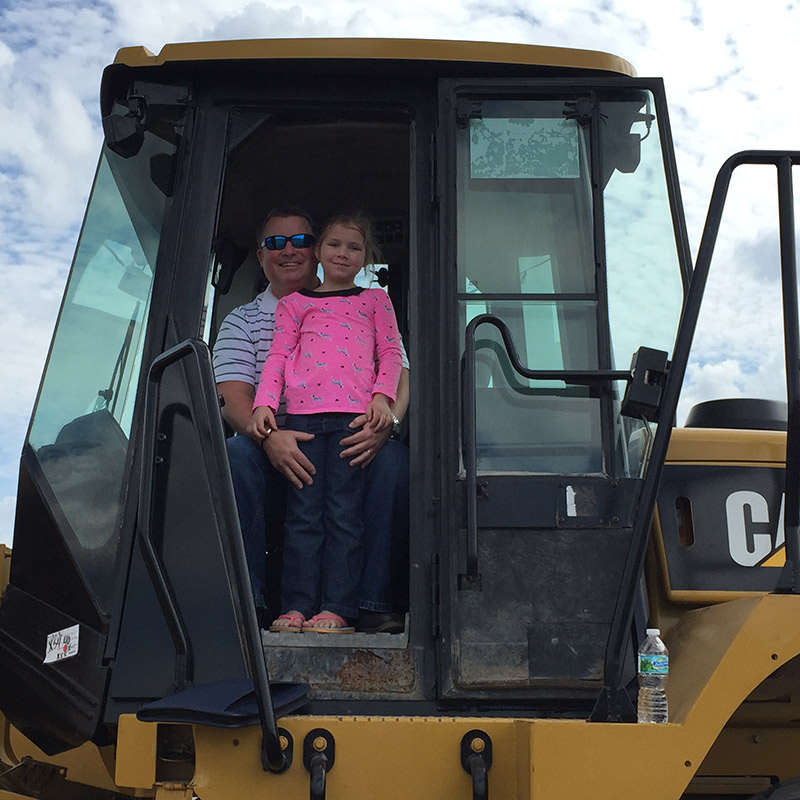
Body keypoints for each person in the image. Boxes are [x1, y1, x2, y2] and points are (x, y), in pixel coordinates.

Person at [213, 206, 409, 632]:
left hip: (350, 429)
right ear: (261, 254)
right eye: (276, 243)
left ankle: (369, 603)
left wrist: (384, 422)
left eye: (299, 240)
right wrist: (269, 437)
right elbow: (233, 397)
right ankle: (253, 606)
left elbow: (398, 367)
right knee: (236, 455)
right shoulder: (244, 320)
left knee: (392, 463)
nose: (289, 250)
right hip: (278, 444)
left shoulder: (373, 304)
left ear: (311, 250)